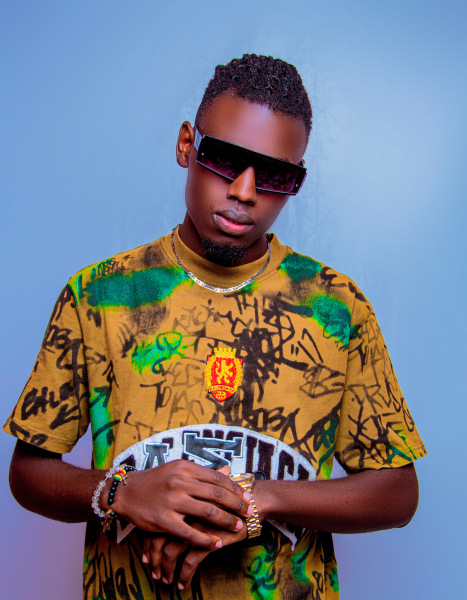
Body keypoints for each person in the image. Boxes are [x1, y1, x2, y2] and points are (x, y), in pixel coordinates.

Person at [4, 54, 426, 600]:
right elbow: (28, 473)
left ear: (297, 181)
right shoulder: (98, 295)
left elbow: (397, 492)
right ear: (188, 145)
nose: (245, 191)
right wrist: (120, 493)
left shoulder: (336, 307)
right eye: (225, 159)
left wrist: (255, 500)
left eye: (275, 175)